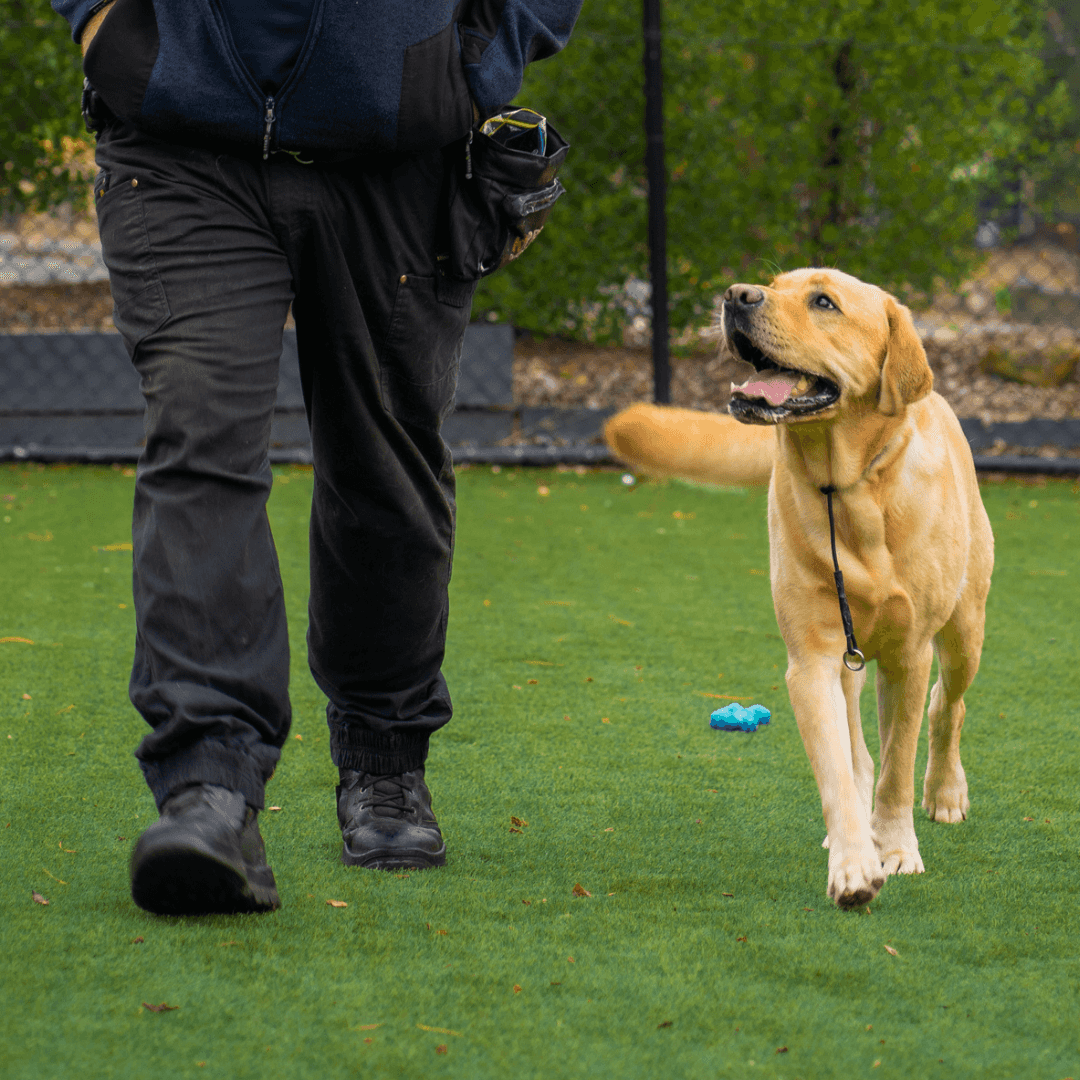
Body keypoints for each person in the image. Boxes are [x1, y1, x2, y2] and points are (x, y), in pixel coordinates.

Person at [51, 0, 581, 915]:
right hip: (180, 147)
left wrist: (467, 66)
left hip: (400, 161)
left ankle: (384, 762)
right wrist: (111, 27)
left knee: (385, 466)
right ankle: (208, 785)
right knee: (198, 440)